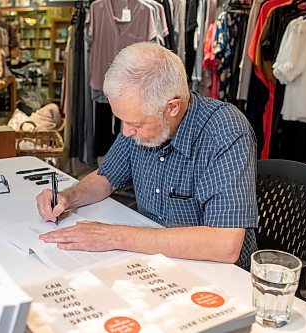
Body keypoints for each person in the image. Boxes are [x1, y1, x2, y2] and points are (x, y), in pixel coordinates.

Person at [36, 42, 258, 270]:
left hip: (216, 274)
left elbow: (225, 244)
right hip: (153, 262)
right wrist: (67, 197)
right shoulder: (140, 122)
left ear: (172, 107)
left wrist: (113, 236)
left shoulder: (225, 130)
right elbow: (105, 178)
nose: (126, 132)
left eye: (136, 123)